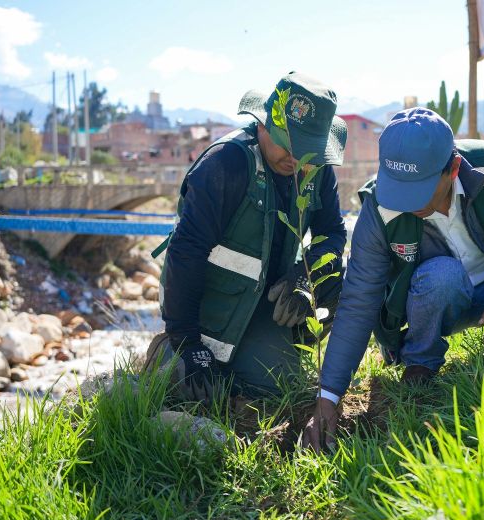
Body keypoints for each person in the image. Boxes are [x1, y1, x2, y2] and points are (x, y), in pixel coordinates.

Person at [303, 107, 484, 450]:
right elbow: (358, 302)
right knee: (441, 275)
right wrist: (328, 397)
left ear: (453, 168)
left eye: (418, 191)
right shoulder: (379, 207)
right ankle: (420, 363)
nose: (405, 203)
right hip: (435, 295)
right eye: (398, 189)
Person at [144, 72, 348, 402]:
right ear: (263, 124)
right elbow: (186, 251)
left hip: (263, 307)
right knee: (191, 390)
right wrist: (186, 341)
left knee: (276, 391)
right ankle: (167, 352)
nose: (295, 160)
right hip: (209, 309)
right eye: (287, 145)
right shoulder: (227, 163)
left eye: (306, 151)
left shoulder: (317, 170)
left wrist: (306, 277)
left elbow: (333, 233)